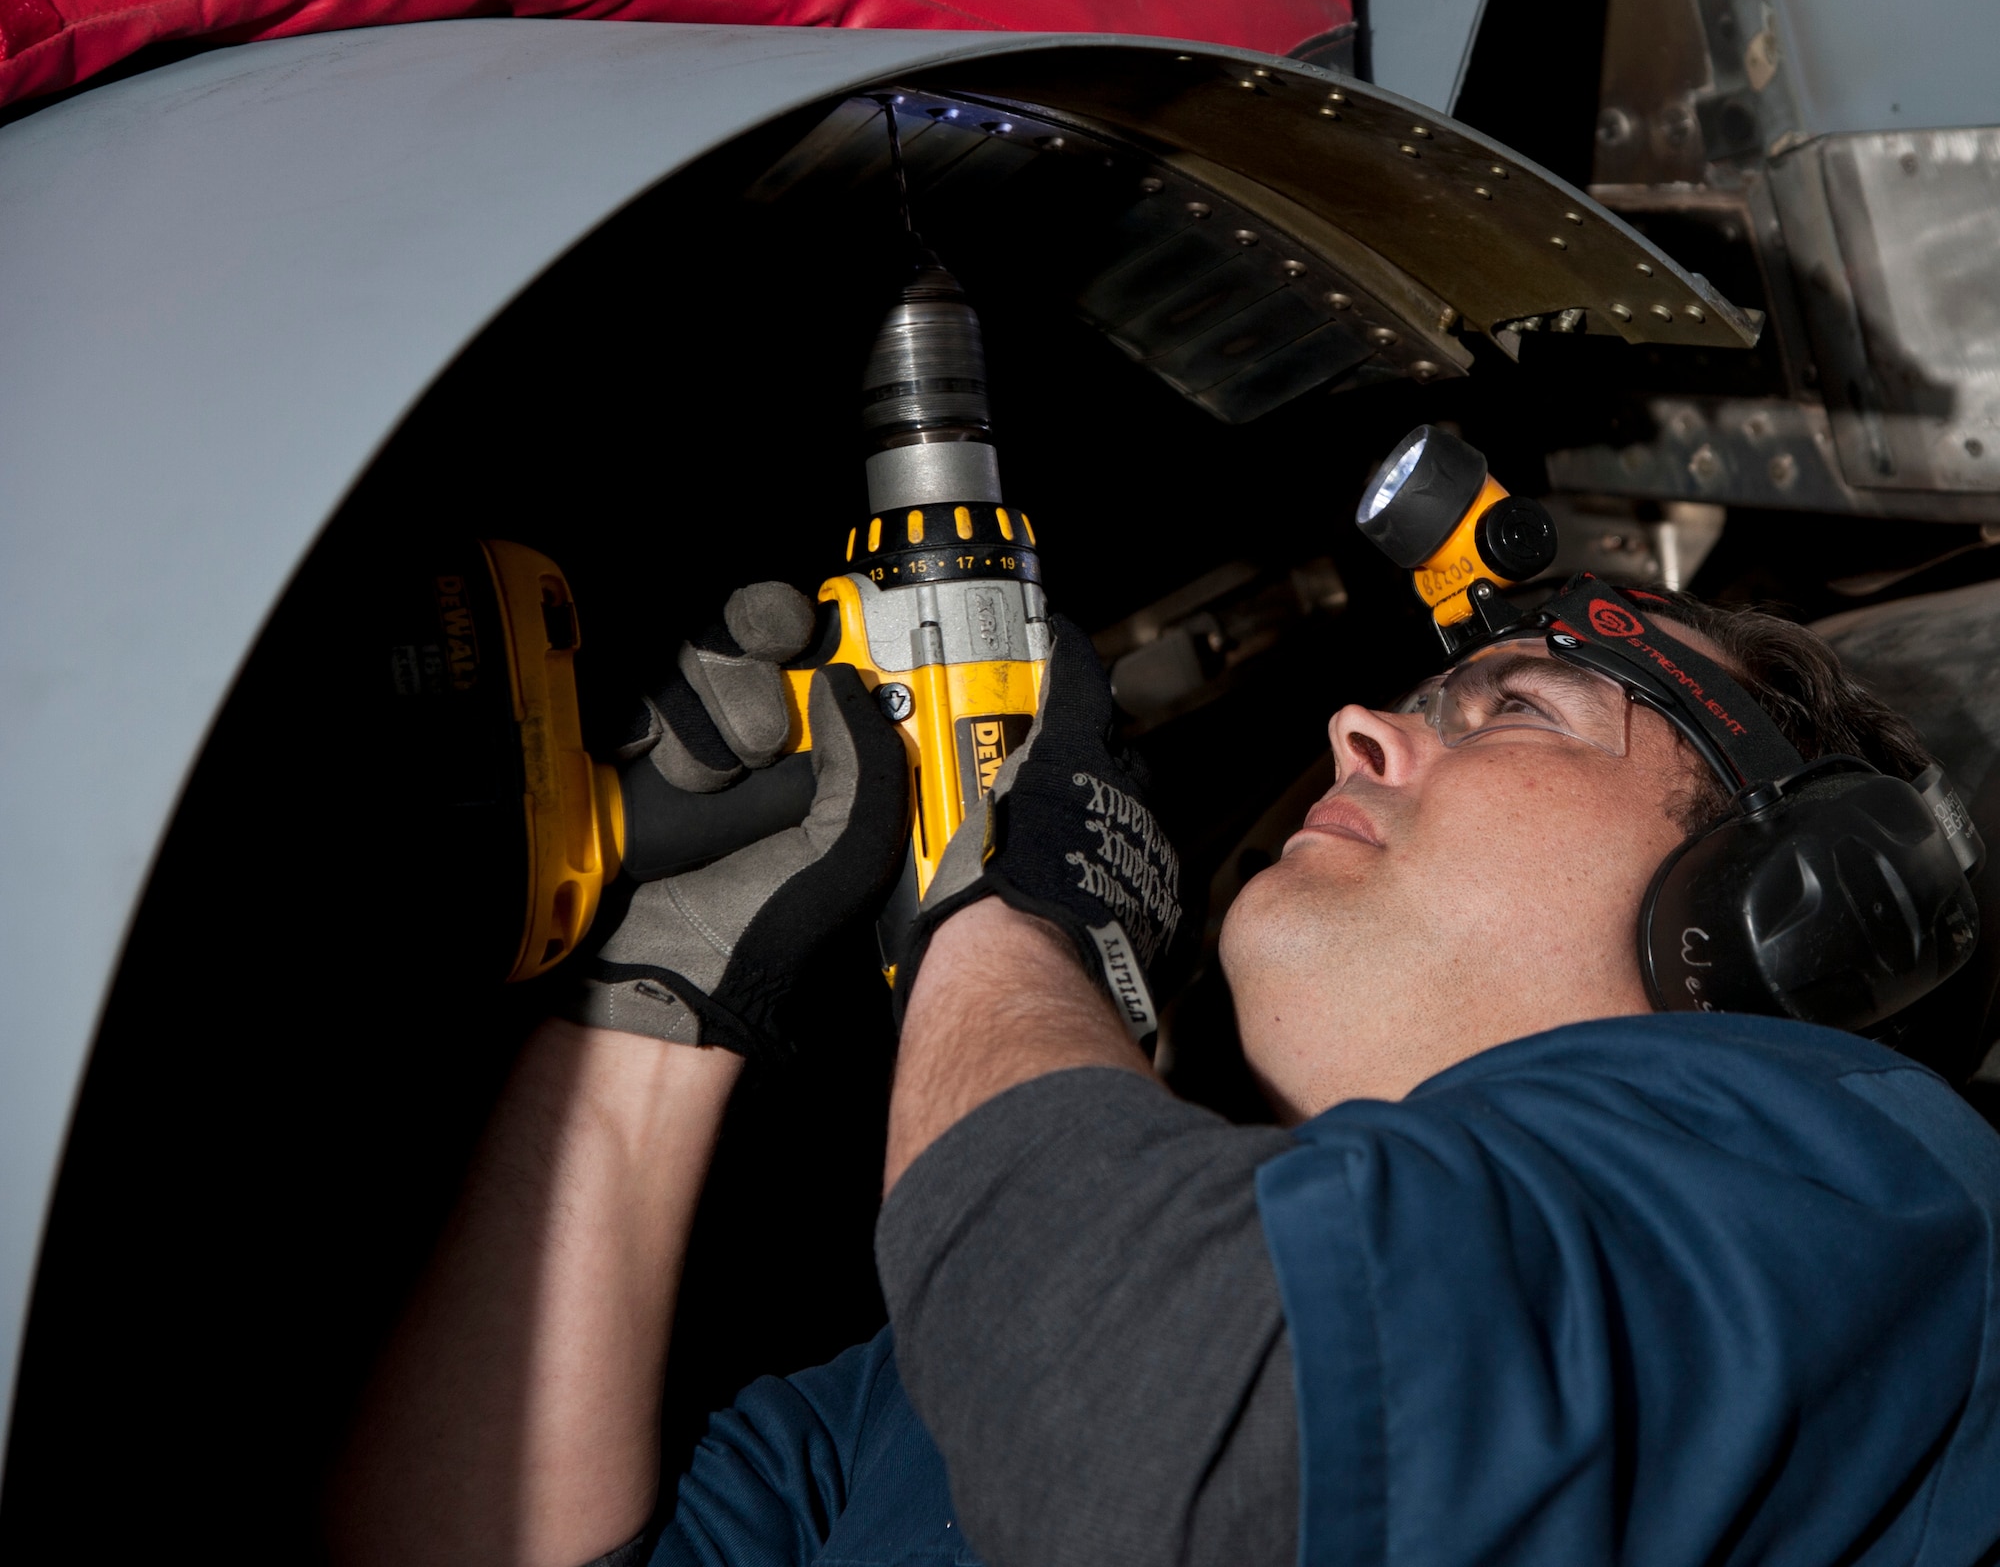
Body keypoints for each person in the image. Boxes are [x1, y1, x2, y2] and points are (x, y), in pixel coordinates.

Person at [329, 578, 2000, 1567]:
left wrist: (1004, 911)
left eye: (1522, 712)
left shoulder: (1845, 1166)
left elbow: (1169, 1441)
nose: (1359, 728)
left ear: (1774, 920)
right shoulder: (953, 1362)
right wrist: (659, 1005)